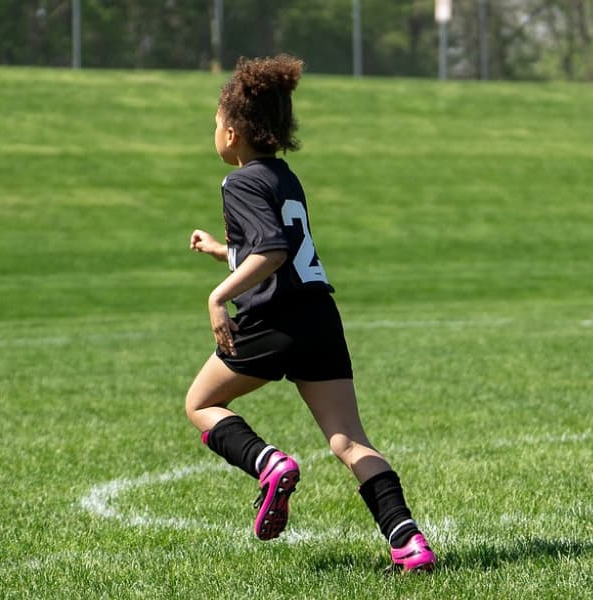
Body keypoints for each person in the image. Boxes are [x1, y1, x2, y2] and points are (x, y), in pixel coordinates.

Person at [184, 54, 436, 573]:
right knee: (348, 440)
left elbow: (271, 251)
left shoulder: (238, 183)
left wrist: (216, 297)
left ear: (231, 133)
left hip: (272, 318)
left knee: (201, 403)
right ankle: (408, 543)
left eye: (214, 122)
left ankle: (268, 463)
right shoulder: (282, 177)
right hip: (318, 316)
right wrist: (220, 251)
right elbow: (276, 248)